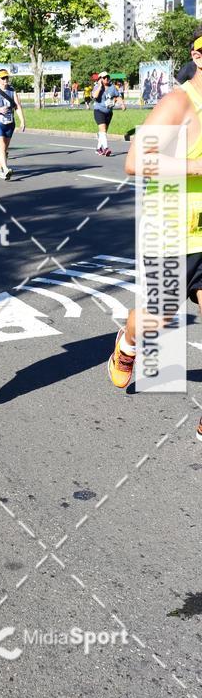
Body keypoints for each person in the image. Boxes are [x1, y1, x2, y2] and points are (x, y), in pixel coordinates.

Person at [107, 28, 202, 440]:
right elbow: (134, 162)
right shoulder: (179, 103)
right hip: (172, 232)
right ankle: (127, 344)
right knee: (155, 321)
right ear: (197, 57)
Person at [0, 69, 26, 180]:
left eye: (6, 77)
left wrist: (22, 121)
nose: (5, 80)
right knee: (1, 147)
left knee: (3, 149)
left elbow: (17, 106)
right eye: (3, 78)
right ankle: (6, 169)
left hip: (9, 123)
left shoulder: (12, 91)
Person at [92, 70, 125, 156]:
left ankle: (98, 149)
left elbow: (117, 96)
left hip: (109, 112)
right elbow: (95, 96)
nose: (106, 78)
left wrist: (122, 104)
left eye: (108, 77)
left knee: (103, 132)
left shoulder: (112, 87)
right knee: (102, 130)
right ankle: (106, 148)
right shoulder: (97, 87)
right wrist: (100, 86)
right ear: (100, 79)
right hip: (99, 111)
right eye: (104, 77)